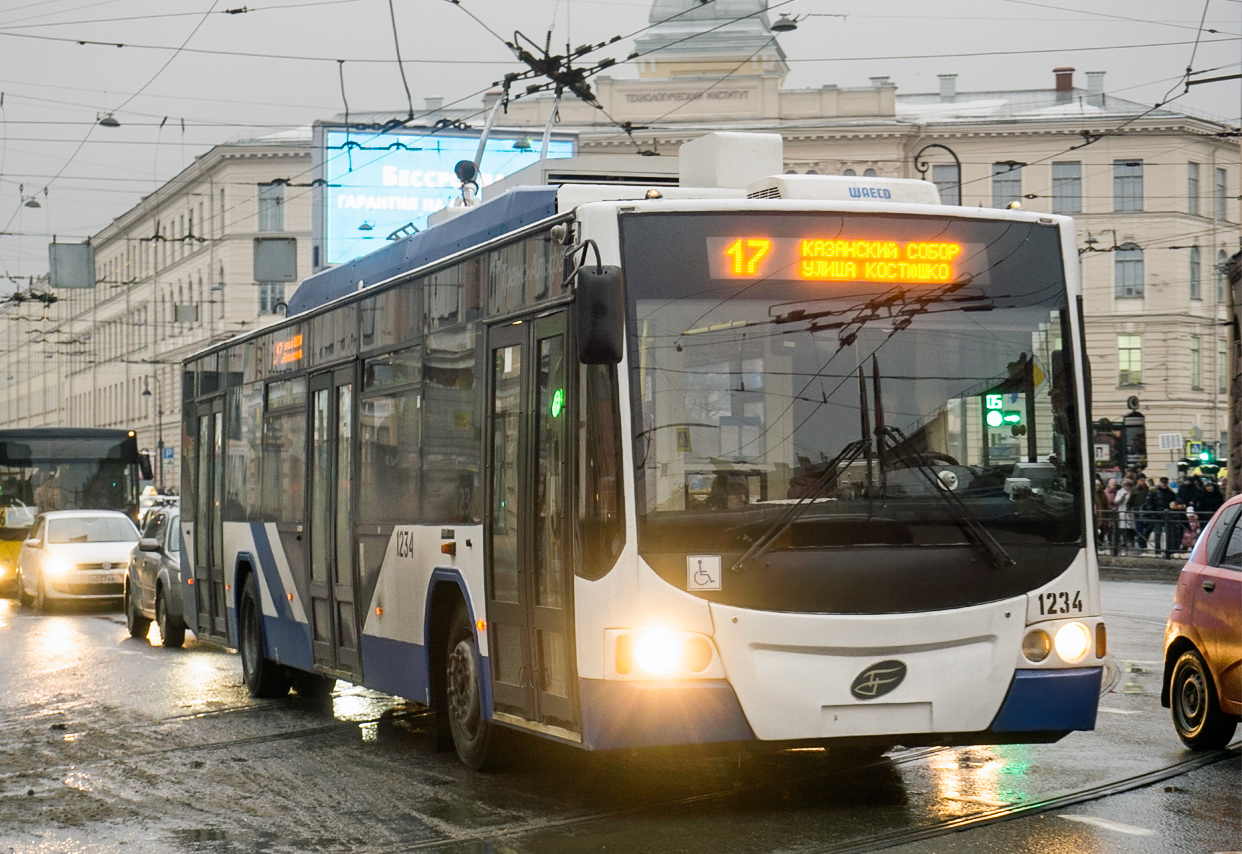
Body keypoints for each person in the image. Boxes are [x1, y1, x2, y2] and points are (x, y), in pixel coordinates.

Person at [1141, 477, 1177, 558]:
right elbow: (1148, 502)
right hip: (1157, 515)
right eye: (1163, 483)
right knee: (1158, 533)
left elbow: (1174, 500)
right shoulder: (1154, 491)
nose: (1164, 485)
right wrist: (1152, 513)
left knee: (1169, 534)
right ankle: (1158, 551)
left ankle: (1169, 551)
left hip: (1167, 516)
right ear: (1160, 483)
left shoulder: (1170, 492)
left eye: (1166, 483)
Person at [1113, 478, 1135, 548]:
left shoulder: (1132, 491)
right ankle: (1124, 541)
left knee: (1131, 527)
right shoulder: (1120, 492)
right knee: (1124, 527)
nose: (1127, 487)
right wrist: (1122, 497)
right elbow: (1116, 501)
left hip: (1131, 511)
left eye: (1129, 486)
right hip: (1122, 510)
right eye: (1126, 485)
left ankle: (1131, 541)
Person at [1130, 476, 1151, 549]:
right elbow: (1130, 500)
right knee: (1140, 529)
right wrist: (1128, 509)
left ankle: (1144, 541)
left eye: (1143, 479)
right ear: (1137, 480)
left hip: (1147, 512)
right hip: (1137, 511)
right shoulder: (1134, 490)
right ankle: (1141, 545)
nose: (1142, 481)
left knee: (1148, 529)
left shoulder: (1148, 488)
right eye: (1141, 480)